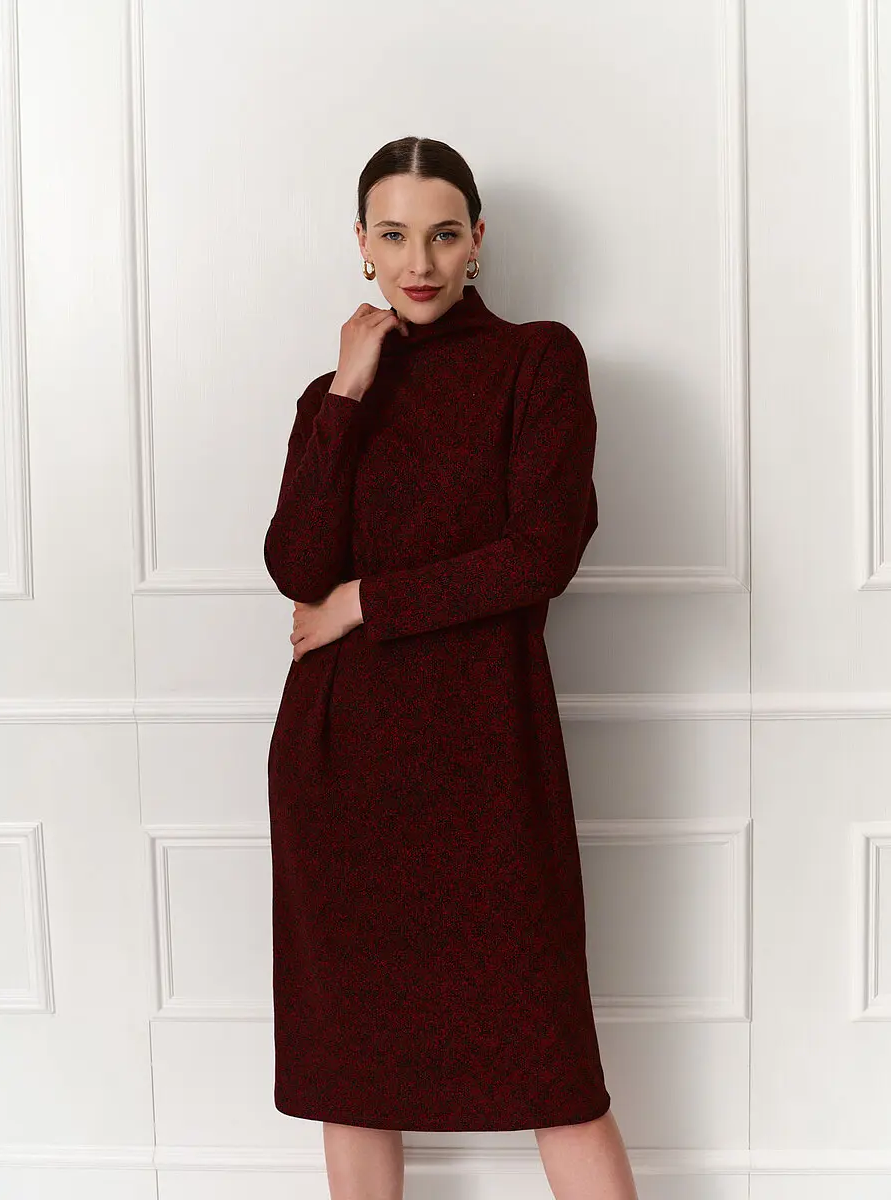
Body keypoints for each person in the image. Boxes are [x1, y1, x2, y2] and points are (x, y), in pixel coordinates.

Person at [263, 135, 639, 1200]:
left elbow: (540, 554)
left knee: (554, 1074)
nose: (417, 262)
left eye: (440, 235)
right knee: (351, 1073)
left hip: (488, 758)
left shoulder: (538, 362)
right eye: (393, 235)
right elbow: (296, 566)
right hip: (340, 767)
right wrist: (347, 392)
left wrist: (366, 602)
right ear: (362, 243)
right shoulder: (333, 393)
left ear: (478, 239)